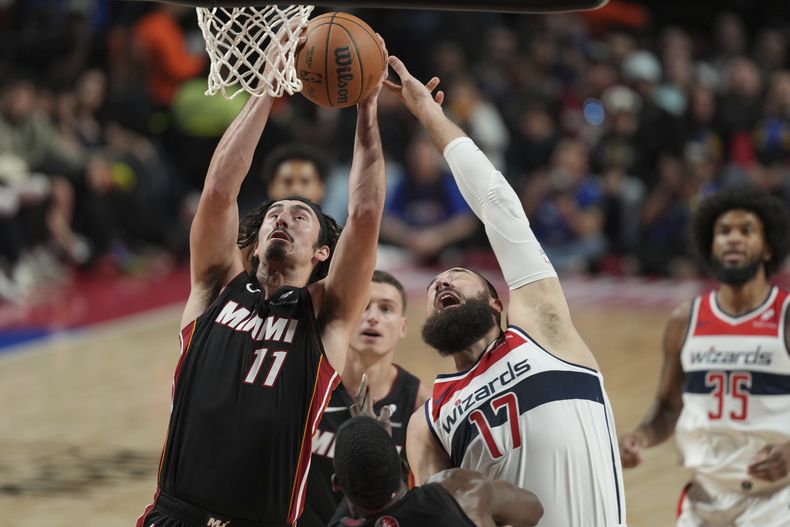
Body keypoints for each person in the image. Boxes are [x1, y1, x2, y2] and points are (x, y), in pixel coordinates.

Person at [136, 38, 389, 527]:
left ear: (322, 253)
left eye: (300, 216)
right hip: (173, 515)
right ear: (253, 243)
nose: (283, 218)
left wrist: (367, 107)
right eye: (275, 212)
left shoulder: (326, 315)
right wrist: (265, 93)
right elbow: (217, 192)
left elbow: (365, 212)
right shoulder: (214, 287)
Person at [384, 56, 626, 527]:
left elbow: (497, 203)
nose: (441, 283)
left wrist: (427, 114)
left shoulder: (541, 331)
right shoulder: (427, 422)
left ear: (499, 302)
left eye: (456, 274)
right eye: (434, 285)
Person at [619, 186, 790, 526]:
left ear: (768, 246)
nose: (734, 239)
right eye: (723, 232)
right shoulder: (686, 319)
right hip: (704, 498)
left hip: (777, 499)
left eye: (747, 231)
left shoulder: (785, 315)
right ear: (710, 246)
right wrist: (640, 436)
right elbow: (668, 408)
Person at [299, 270, 430, 527]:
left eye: (386, 309)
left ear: (403, 326)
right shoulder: (311, 381)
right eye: (364, 306)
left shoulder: (419, 404)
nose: (372, 318)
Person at [330, 416, 544, 527]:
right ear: (404, 467)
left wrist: (359, 466)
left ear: (336, 485)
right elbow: (534, 510)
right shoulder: (461, 493)